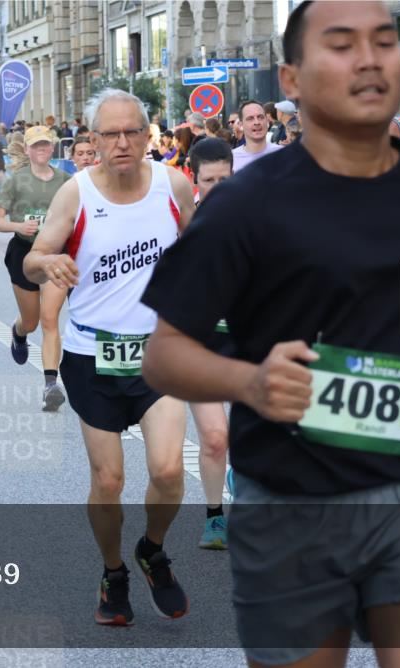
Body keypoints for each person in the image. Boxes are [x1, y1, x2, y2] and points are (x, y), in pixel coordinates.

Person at [140, 2, 400, 666]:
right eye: (342, 45)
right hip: (293, 498)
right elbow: (164, 356)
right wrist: (251, 383)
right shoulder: (246, 205)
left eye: (383, 41)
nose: (371, 58)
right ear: (289, 79)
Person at [23, 89, 196, 626]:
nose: (122, 142)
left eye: (132, 132)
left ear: (148, 135)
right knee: (109, 482)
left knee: (168, 470)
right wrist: (48, 265)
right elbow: (33, 259)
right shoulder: (76, 194)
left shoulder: (174, 185)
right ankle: (114, 570)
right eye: (110, 134)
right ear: (92, 140)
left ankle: (152, 547)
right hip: (92, 355)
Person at [0, 125, 72, 411]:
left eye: (46, 145)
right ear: (27, 150)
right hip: (24, 253)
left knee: (51, 320)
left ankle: (51, 384)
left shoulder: (65, 180)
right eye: (36, 145)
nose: (41, 150)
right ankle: (19, 332)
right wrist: (18, 225)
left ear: (52, 148)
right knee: (33, 321)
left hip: (54, 255)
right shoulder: (16, 181)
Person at [185, 137, 235, 549]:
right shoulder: (180, 225)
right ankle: (215, 515)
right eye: (210, 180)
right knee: (215, 437)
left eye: (225, 179)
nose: (218, 188)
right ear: (194, 179)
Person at [232, 100, 282, 172]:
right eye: (250, 119)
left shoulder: (283, 153)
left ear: (267, 122)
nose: (257, 122)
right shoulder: (232, 158)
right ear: (240, 125)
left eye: (260, 117)